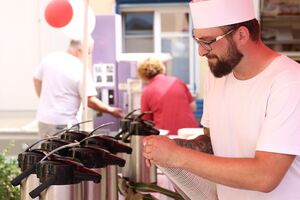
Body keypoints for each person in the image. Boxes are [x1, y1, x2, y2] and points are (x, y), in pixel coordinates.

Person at [143, 0, 300, 199]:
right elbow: (212, 142)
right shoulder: (218, 76)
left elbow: (265, 176)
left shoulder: (289, 82)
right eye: (197, 40)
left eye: (207, 41)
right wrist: (176, 145)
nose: (201, 51)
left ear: (242, 35)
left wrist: (177, 156)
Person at [33, 39, 123, 138]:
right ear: (80, 50)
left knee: (45, 152)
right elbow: (89, 100)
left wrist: (45, 100)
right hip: (64, 123)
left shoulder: (50, 58)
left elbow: (36, 80)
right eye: (88, 53)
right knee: (64, 153)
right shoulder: (79, 68)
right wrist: (111, 111)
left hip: (44, 120)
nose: (88, 56)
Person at [137, 57, 199, 135]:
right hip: (189, 133)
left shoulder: (147, 91)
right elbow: (193, 108)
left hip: (166, 135)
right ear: (161, 69)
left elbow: (146, 121)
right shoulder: (177, 81)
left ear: (142, 75)